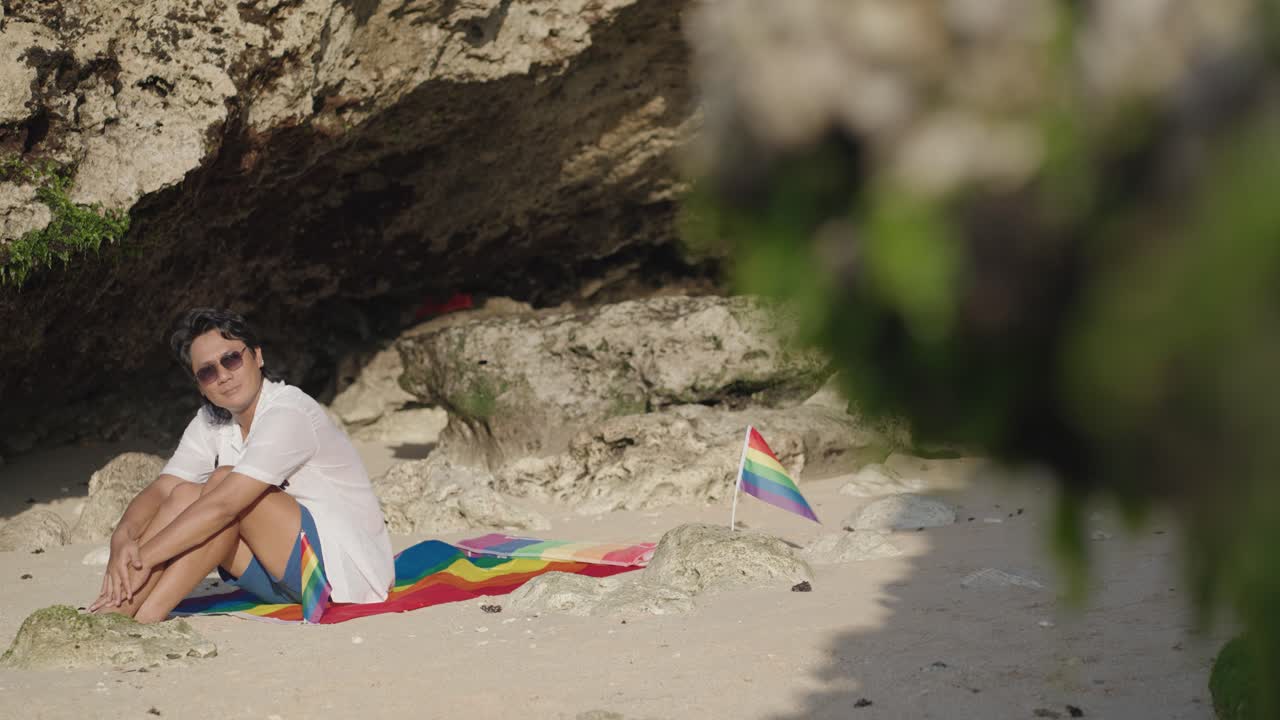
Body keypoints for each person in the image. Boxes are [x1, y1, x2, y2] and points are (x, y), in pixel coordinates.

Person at [89, 308, 395, 623]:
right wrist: (123, 538)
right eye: (207, 372)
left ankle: (145, 617)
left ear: (257, 357)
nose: (223, 375)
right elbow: (163, 488)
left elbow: (223, 505)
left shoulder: (289, 412)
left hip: (342, 571)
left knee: (223, 484)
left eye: (231, 359)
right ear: (200, 386)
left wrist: (143, 557)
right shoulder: (211, 421)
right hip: (277, 574)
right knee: (183, 495)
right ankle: (115, 615)